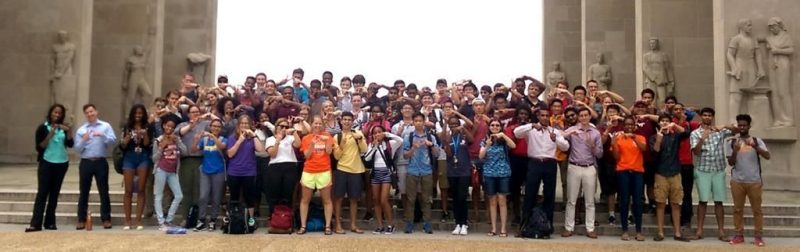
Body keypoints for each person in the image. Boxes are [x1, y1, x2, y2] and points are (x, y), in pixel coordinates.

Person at [513, 108, 569, 239]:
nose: (544, 118)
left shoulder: (555, 131)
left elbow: (566, 147)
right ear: (537, 117)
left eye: (546, 115)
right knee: (529, 195)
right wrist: (531, 125)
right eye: (542, 115)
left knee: (549, 196)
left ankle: (547, 229)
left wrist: (556, 140)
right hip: (534, 162)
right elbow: (516, 133)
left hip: (550, 163)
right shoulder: (531, 130)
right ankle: (524, 227)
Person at [690, 107, 737, 241]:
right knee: (702, 201)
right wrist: (702, 139)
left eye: (709, 115)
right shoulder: (695, 133)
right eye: (704, 115)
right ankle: (699, 230)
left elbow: (737, 130)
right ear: (701, 117)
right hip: (703, 170)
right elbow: (696, 152)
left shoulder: (719, 132)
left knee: (719, 202)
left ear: (712, 117)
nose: (707, 117)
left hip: (718, 170)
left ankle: (721, 231)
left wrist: (725, 125)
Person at [26, 104, 74, 232]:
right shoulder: (42, 128)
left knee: (54, 194)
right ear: (50, 113)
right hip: (46, 162)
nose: (57, 115)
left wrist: (69, 130)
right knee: (42, 193)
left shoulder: (63, 128)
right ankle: (36, 223)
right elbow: (39, 147)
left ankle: (50, 222)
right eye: (55, 112)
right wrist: (50, 134)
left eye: (59, 113)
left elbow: (70, 144)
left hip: (61, 163)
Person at [724, 114, 769, 246]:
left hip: (754, 180)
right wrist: (735, 151)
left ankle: (758, 236)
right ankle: (739, 234)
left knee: (757, 210)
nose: (742, 127)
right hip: (737, 180)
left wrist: (755, 146)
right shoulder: (732, 141)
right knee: (738, 209)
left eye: (744, 125)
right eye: (740, 125)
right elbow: (731, 163)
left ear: (749, 126)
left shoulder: (757, 140)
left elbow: (767, 155)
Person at [74, 104, 117, 230]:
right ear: (85, 114)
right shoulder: (82, 130)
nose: (90, 114)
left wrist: (103, 136)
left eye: (91, 111)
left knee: (103, 191)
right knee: (84, 192)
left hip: (100, 161)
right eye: (87, 112)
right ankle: (81, 219)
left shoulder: (105, 126)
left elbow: (113, 141)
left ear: (96, 112)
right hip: (86, 162)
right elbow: (77, 149)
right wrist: (84, 140)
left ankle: (106, 218)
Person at [562, 107, 603, 239]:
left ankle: (590, 228)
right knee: (571, 200)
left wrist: (592, 146)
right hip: (574, 166)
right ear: (578, 117)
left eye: (586, 115)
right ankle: (569, 227)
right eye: (581, 115)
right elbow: (560, 137)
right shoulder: (573, 129)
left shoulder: (596, 133)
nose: (584, 118)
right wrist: (569, 135)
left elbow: (600, 154)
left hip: (589, 167)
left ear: (589, 117)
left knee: (590, 200)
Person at [650, 114, 690, 242]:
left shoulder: (675, 135)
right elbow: (654, 152)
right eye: (662, 121)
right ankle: (660, 232)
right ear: (659, 123)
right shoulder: (653, 137)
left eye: (667, 121)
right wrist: (659, 139)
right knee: (660, 204)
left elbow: (686, 133)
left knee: (675, 204)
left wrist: (675, 125)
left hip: (675, 173)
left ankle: (677, 233)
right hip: (660, 174)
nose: (665, 123)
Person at [297, 116, 336, 235]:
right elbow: (307, 156)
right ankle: (303, 226)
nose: (317, 126)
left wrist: (326, 141)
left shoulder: (328, 136)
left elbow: (329, 152)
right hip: (309, 170)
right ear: (311, 124)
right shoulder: (306, 138)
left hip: (324, 170)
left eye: (320, 124)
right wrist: (312, 144)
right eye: (315, 123)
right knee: (305, 200)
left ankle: (328, 226)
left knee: (327, 200)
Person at [611, 116, 647, 241]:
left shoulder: (640, 137)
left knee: (637, 202)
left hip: (637, 172)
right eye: (627, 124)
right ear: (623, 126)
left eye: (631, 124)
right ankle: (625, 230)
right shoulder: (619, 138)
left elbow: (644, 149)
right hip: (623, 172)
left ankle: (638, 231)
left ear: (634, 126)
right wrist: (614, 144)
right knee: (624, 201)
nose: (629, 127)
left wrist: (634, 138)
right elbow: (616, 157)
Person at [225, 115, 265, 230]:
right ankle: (233, 219)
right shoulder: (232, 137)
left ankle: (251, 220)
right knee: (234, 197)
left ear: (250, 125)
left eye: (246, 124)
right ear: (238, 125)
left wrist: (254, 136)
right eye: (242, 123)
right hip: (234, 172)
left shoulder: (252, 138)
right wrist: (239, 141)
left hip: (249, 172)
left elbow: (261, 149)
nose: (244, 126)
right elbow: (230, 154)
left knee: (249, 198)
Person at [402, 113, 439, 234]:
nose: (418, 123)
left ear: (424, 122)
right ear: (413, 122)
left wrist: (431, 145)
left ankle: (427, 223)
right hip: (412, 170)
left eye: (420, 121)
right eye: (416, 120)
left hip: (427, 170)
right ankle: (409, 223)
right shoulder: (409, 136)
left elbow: (437, 153)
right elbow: (405, 155)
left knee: (426, 199)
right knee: (410, 198)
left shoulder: (430, 137)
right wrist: (413, 148)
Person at [332, 112, 368, 234]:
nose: (347, 122)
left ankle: (353, 224)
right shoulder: (337, 136)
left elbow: (364, 150)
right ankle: (338, 225)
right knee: (339, 198)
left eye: (349, 119)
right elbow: (336, 156)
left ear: (352, 121)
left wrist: (360, 140)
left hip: (356, 170)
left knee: (354, 199)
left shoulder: (358, 133)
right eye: (345, 119)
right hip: (342, 169)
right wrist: (341, 146)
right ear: (341, 121)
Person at [120, 105, 154, 230]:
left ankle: (138, 220)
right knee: (128, 190)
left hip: (143, 157)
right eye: (136, 113)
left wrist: (143, 134)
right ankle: (127, 220)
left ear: (143, 114)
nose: (138, 115)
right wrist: (129, 137)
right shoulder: (127, 126)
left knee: (141, 189)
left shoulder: (148, 126)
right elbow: (122, 145)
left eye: (140, 113)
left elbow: (147, 144)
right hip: (129, 156)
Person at [363, 125, 403, 234]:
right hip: (375, 173)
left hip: (386, 173)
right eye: (375, 133)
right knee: (376, 199)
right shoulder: (371, 145)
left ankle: (391, 224)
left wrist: (387, 134)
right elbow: (367, 158)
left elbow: (400, 140)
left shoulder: (390, 144)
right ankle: (380, 225)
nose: (377, 134)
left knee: (383, 199)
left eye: (379, 132)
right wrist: (375, 147)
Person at [479, 119, 516, 237]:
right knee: (492, 201)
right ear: (489, 127)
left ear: (500, 127)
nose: (495, 127)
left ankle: (503, 228)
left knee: (502, 200)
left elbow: (513, 145)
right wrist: (487, 145)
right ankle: (494, 228)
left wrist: (504, 136)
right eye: (492, 125)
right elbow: (481, 156)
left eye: (497, 125)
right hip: (489, 173)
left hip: (503, 173)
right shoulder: (485, 140)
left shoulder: (503, 140)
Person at [176, 105, 213, 219]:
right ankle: (185, 218)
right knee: (186, 190)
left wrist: (209, 115)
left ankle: (197, 218)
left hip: (201, 159)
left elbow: (219, 124)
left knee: (198, 191)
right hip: (186, 160)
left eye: (197, 111)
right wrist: (191, 125)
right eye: (193, 112)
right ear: (188, 114)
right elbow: (178, 133)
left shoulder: (205, 124)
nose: (196, 114)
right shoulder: (183, 125)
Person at [191, 119, 227, 232]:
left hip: (219, 171)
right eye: (213, 126)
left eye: (218, 126)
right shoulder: (205, 140)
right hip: (205, 171)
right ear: (210, 127)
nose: (216, 128)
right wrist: (196, 140)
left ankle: (213, 220)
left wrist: (212, 136)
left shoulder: (223, 139)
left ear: (220, 129)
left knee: (216, 198)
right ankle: (201, 220)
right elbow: (193, 150)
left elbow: (221, 147)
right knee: (203, 196)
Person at [152, 115, 187, 230]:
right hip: (160, 169)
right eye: (168, 126)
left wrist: (178, 142)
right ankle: (161, 222)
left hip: (173, 171)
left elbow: (185, 152)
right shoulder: (158, 140)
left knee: (179, 195)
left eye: (172, 127)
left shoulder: (176, 139)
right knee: (159, 196)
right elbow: (154, 159)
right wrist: (161, 147)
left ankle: (169, 220)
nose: (170, 129)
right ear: (163, 126)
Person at [442, 116, 474, 235]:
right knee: (455, 198)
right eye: (451, 124)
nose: (453, 126)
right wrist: (447, 139)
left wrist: (463, 129)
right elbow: (449, 154)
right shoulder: (449, 137)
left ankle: (464, 223)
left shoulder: (464, 135)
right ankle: (457, 223)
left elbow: (472, 140)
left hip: (464, 171)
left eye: (455, 124)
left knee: (462, 197)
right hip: (452, 171)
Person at [264, 118, 301, 220]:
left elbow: (298, 145)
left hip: (290, 166)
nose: (284, 128)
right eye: (282, 126)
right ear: (276, 127)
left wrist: (294, 132)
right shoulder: (270, 139)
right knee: (274, 193)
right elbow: (273, 154)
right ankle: (274, 217)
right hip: (275, 166)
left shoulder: (290, 138)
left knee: (288, 194)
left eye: (286, 126)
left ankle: (286, 218)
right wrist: (278, 141)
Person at [504, 107, 531, 224]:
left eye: (525, 114)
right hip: (515, 159)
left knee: (530, 188)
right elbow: (509, 146)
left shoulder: (532, 128)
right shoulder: (511, 128)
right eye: (521, 114)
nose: (523, 116)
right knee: (515, 189)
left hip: (530, 159)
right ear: (517, 116)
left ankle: (529, 214)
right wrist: (518, 131)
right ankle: (516, 215)